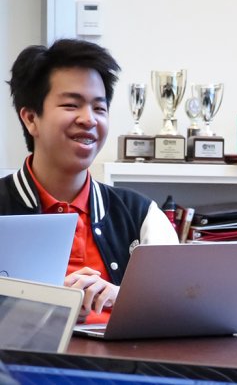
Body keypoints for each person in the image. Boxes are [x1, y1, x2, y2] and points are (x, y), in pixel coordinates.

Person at [3, 39, 178, 323]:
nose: (89, 119)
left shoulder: (140, 214)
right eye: (72, 105)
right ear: (31, 118)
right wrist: (45, 301)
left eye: (99, 108)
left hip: (124, 366)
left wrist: (121, 296)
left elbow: (180, 303)